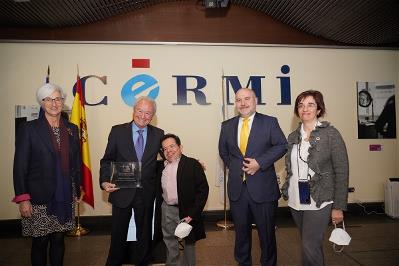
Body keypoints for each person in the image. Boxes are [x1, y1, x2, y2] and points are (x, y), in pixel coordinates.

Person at [12, 83, 81, 266]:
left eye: (57, 99)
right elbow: (20, 166)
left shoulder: (71, 129)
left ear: (62, 102)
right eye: (48, 99)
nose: (54, 103)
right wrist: (23, 198)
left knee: (59, 239)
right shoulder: (29, 129)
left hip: (65, 194)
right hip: (37, 197)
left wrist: (78, 187)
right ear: (42, 103)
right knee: (40, 241)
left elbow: (76, 161)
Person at [218, 88, 287, 266]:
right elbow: (224, 153)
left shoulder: (269, 122)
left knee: (266, 235)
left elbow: (281, 146)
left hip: (263, 189)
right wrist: (236, 168)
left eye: (247, 99)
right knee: (241, 234)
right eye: (239, 100)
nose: (243, 103)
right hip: (237, 190)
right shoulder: (226, 125)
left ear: (255, 100)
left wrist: (260, 163)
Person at [281, 90, 349, 266]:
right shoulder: (293, 136)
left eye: (310, 104)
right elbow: (290, 168)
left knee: (309, 244)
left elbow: (342, 172)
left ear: (319, 109)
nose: (305, 109)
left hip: (320, 199)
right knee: (308, 245)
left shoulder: (331, 134)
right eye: (301, 105)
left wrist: (338, 206)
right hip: (297, 199)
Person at [100, 96, 164, 266]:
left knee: (144, 235)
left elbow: (170, 156)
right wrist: (105, 181)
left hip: (146, 193)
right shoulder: (117, 131)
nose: (143, 116)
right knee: (118, 234)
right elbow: (107, 160)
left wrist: (192, 163)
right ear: (133, 110)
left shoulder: (159, 134)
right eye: (140, 111)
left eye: (148, 113)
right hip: (121, 191)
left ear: (153, 116)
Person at [160, 133, 209, 266]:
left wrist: (192, 214)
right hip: (167, 209)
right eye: (165, 148)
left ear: (180, 147)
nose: (168, 150)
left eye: (172, 146)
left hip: (187, 211)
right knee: (169, 241)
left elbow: (203, 191)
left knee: (189, 242)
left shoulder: (193, 164)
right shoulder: (161, 167)